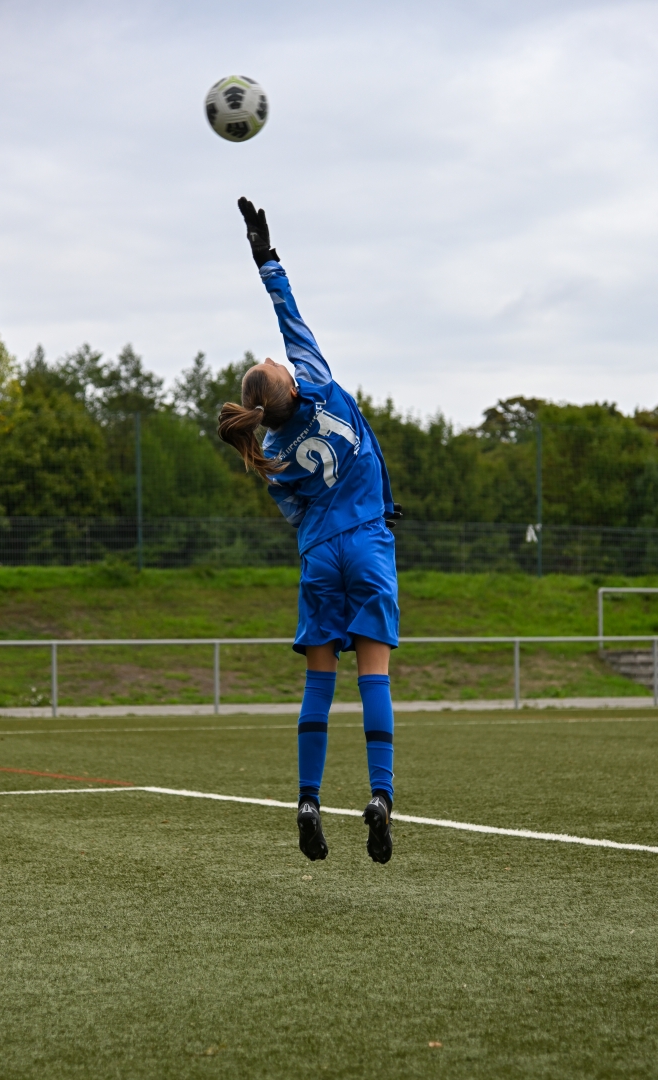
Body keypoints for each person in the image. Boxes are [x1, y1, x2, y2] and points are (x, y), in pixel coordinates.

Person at [218, 198, 402, 864]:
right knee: (374, 675)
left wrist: (315, 522)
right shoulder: (318, 381)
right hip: (369, 543)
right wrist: (265, 255)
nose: (279, 356)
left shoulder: (270, 451)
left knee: (319, 682)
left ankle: (307, 800)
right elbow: (287, 310)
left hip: (321, 554)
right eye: (277, 363)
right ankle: (380, 797)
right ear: (290, 385)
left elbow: (293, 509)